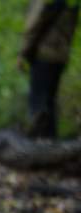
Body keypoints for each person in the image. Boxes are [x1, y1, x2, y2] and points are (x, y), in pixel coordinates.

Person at [18, 0, 79, 138]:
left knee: (38, 101)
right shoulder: (71, 4)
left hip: (43, 54)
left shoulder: (42, 2)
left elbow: (34, 25)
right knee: (50, 100)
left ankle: (37, 141)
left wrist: (23, 54)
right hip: (61, 55)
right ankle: (50, 142)